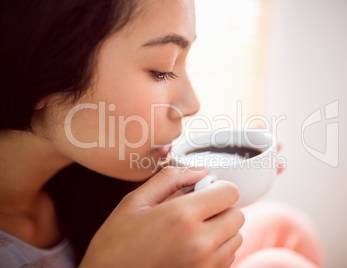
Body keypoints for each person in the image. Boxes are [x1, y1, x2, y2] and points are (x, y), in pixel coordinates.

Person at [0, 0, 323, 267]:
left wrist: (220, 180)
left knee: (283, 227)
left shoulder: (84, 178)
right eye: (162, 69)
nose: (192, 104)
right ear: (36, 72)